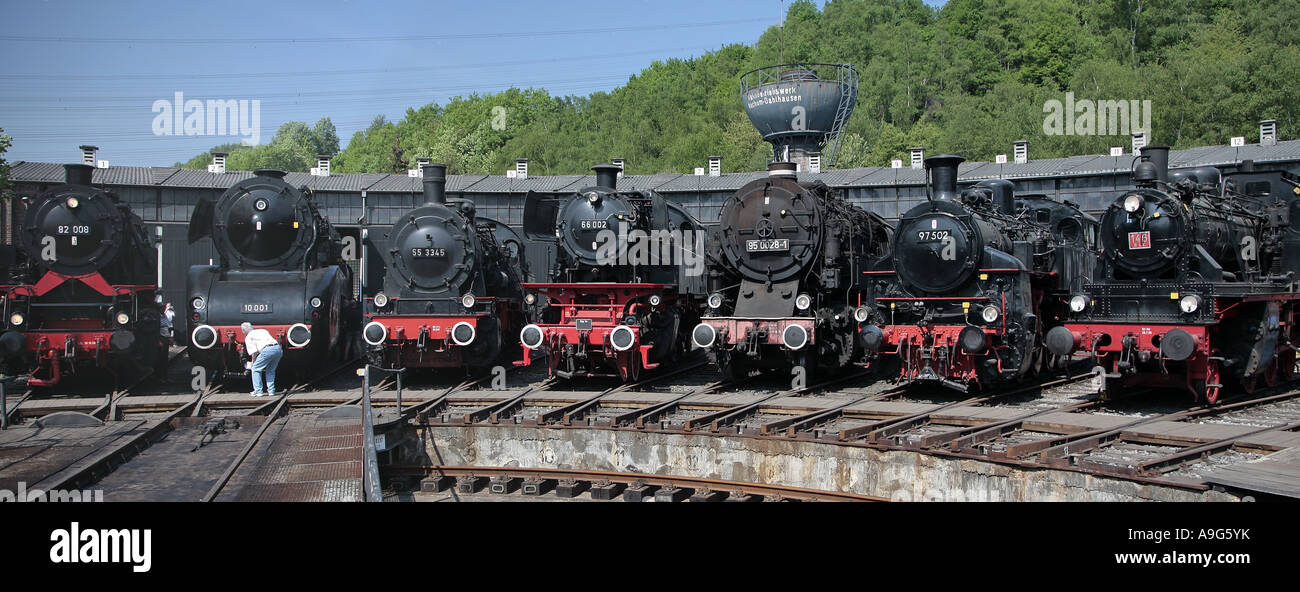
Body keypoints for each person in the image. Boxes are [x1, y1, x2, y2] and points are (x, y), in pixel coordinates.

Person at [241, 322, 283, 397]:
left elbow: (254, 352)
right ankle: (271, 391)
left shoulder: (248, 337)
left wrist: (253, 363)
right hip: (278, 349)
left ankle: (258, 391)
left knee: (255, 369)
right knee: (270, 370)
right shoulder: (263, 330)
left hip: (267, 350)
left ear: (243, 331)